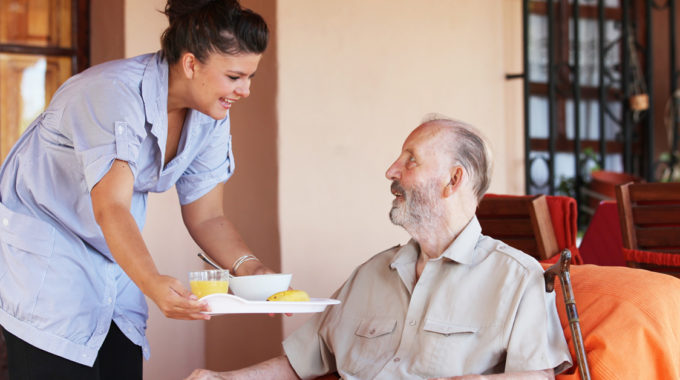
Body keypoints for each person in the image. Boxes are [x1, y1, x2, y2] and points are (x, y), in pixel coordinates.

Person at [0, 0, 276, 378]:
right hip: (49, 258)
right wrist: (152, 282)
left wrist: (252, 270)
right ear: (191, 63)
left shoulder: (211, 113)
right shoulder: (111, 93)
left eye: (250, 77)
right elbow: (110, 206)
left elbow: (207, 216)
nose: (244, 90)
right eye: (234, 77)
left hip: (115, 255)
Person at [186, 115, 573, 380]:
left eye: (411, 160)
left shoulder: (517, 278)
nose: (391, 170)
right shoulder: (370, 274)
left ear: (453, 180)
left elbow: (536, 376)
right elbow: (299, 363)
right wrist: (221, 377)